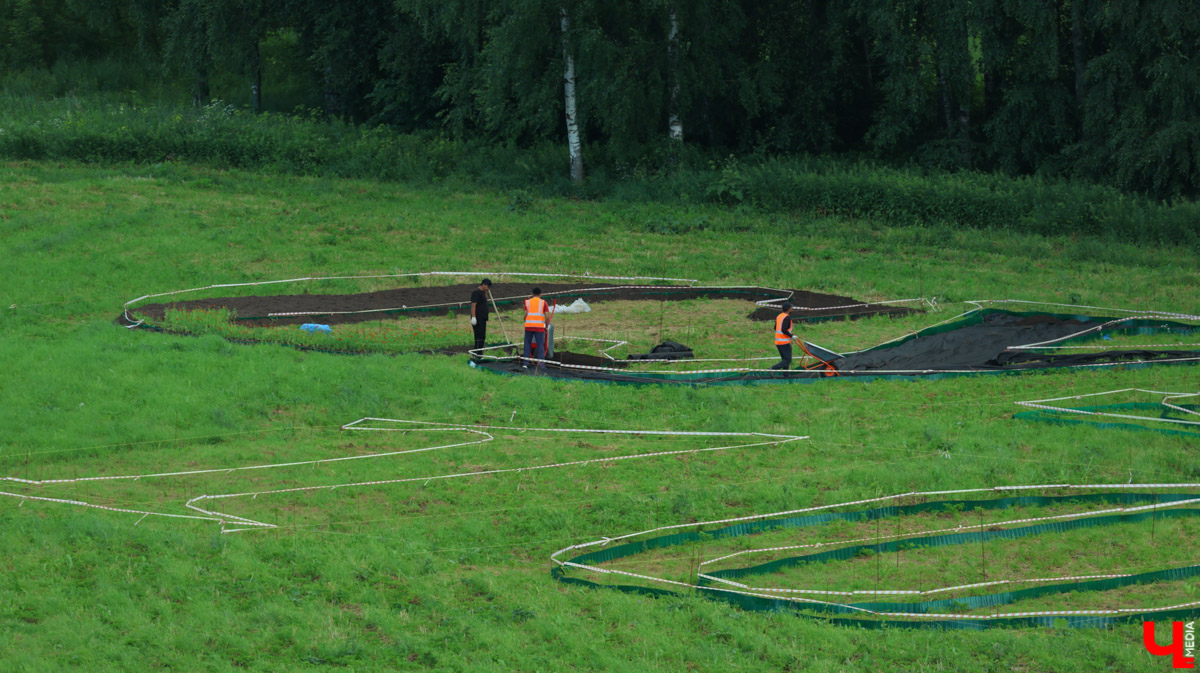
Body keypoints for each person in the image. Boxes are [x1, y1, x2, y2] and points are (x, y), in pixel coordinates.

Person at [522, 287, 551, 369]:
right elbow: (547, 316)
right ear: (540, 294)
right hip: (539, 327)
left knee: (527, 344)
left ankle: (525, 363)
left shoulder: (527, 302)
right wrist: (546, 326)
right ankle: (541, 364)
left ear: (532, 294)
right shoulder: (543, 303)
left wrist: (526, 322)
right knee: (540, 345)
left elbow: (525, 315)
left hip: (529, 326)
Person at [469, 278, 492, 351]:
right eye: (488, 287)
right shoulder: (476, 292)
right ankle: (477, 352)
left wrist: (486, 292)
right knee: (479, 336)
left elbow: (486, 299)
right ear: (484, 285)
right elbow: (473, 305)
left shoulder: (483, 292)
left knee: (482, 336)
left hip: (483, 317)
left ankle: (479, 352)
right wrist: (473, 317)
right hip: (478, 318)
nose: (488, 288)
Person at [771, 302, 795, 370]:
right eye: (791, 308)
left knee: (785, 359)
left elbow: (775, 328)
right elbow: (784, 329)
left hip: (778, 342)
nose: (792, 309)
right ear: (788, 309)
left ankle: (785, 375)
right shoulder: (787, 318)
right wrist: (791, 336)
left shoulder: (779, 316)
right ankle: (773, 369)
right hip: (784, 342)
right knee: (787, 360)